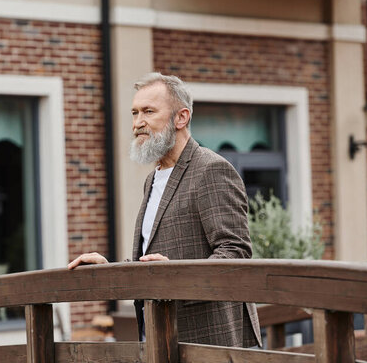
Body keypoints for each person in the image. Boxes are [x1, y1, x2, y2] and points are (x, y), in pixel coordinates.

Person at [68, 72, 262, 347]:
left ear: (181, 118)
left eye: (148, 111)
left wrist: (176, 276)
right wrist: (108, 269)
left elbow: (235, 252)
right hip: (159, 339)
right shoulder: (152, 179)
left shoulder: (211, 169)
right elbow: (153, 262)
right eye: (134, 113)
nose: (138, 123)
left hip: (206, 341)